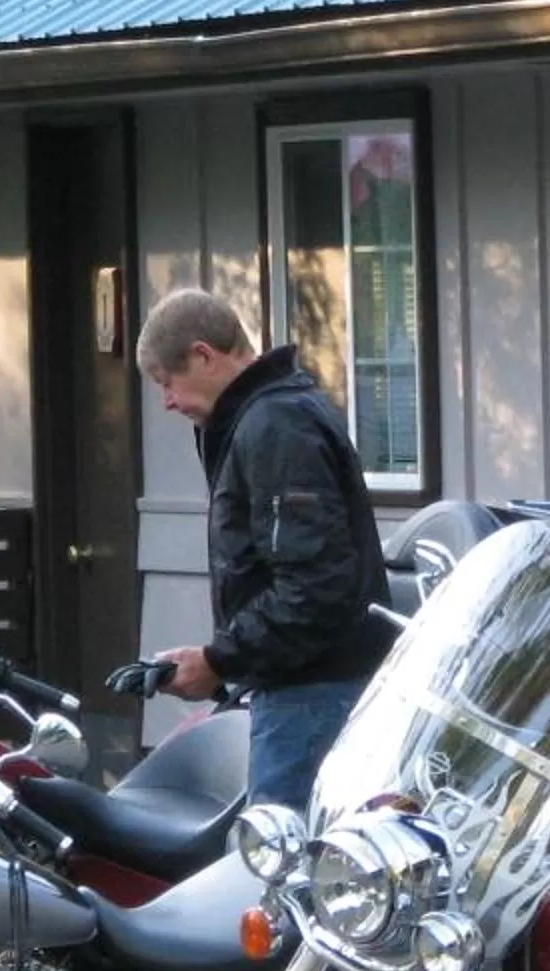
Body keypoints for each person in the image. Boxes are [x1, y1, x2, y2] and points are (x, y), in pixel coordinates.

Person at [134, 288, 396, 811]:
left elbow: (313, 589)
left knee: (275, 873)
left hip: (315, 699)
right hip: (301, 688)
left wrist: (218, 659)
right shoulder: (262, 419)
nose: (167, 402)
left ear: (204, 355)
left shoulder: (278, 427)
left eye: (167, 383)